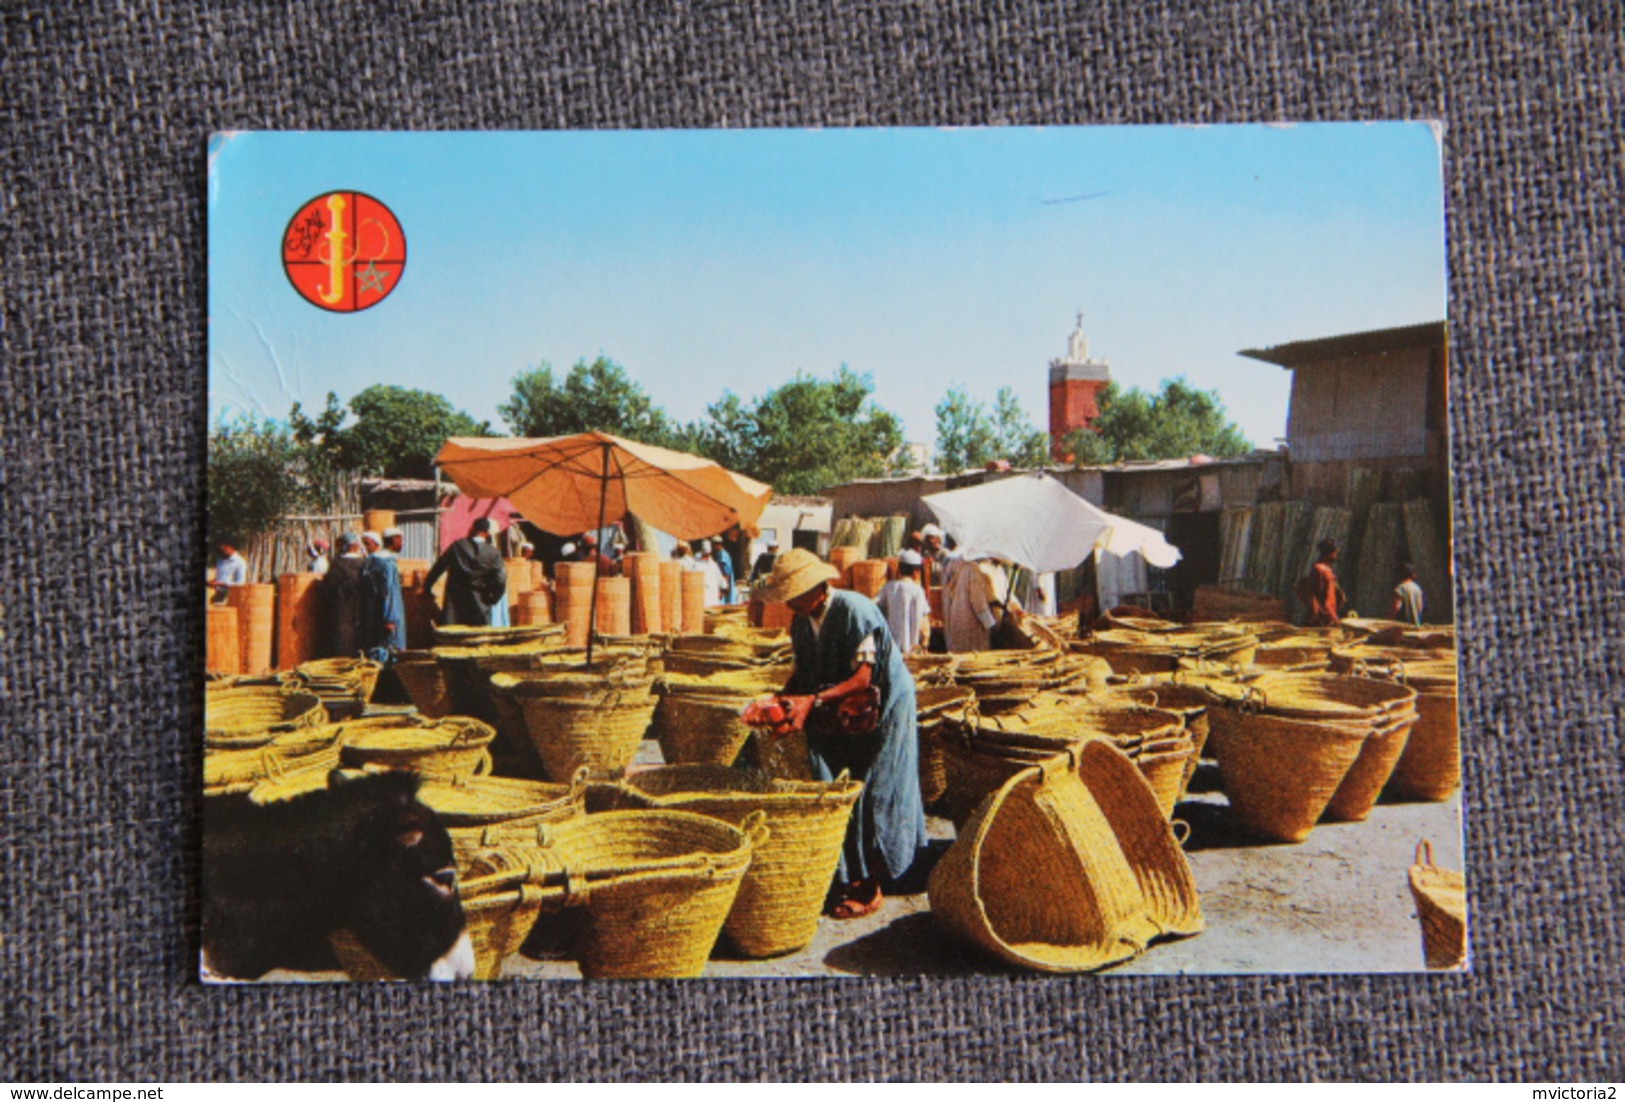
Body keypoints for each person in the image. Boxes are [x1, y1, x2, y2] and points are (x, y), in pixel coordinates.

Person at [743, 549, 927, 919]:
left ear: (816, 587)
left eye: (794, 594)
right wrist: (777, 700)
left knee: (877, 786)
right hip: (844, 707)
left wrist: (810, 700)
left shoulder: (854, 610)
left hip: (885, 702)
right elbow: (803, 674)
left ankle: (873, 882)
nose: (790, 603)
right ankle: (843, 871)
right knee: (835, 781)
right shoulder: (800, 623)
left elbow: (864, 677)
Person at [424, 517, 508, 626]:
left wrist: (427, 586)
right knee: (479, 637)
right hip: (481, 605)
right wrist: (493, 598)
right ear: (487, 533)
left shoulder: (457, 546)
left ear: (472, 529)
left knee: (454, 637)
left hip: (455, 604)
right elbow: (500, 579)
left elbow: (439, 567)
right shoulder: (493, 553)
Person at [317, 533, 367, 658]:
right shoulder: (364, 566)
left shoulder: (335, 566)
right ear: (357, 546)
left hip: (339, 615)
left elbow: (327, 591)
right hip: (361, 615)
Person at [359, 531, 407, 658]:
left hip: (373, 613)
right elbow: (389, 592)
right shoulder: (388, 564)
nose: (402, 543)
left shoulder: (371, 561)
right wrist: (390, 618)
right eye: (400, 540)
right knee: (390, 650)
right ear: (393, 540)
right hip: (388, 614)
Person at [875, 549, 931, 656]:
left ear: (899, 569)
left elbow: (876, 606)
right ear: (916, 571)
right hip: (912, 650)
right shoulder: (918, 591)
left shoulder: (889, 587)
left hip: (891, 649)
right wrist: (925, 642)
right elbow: (924, 622)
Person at [942, 555, 1001, 652]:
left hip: (956, 624)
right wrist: (991, 625)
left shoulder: (952, 567)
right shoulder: (973, 570)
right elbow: (979, 604)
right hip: (971, 627)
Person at [1299, 538, 1347, 627]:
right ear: (1330, 553)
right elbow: (1316, 597)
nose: (1336, 555)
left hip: (1327, 618)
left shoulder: (1326, 570)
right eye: (1335, 552)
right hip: (1322, 621)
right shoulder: (1320, 570)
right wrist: (1332, 619)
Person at [695, 540, 728, 607]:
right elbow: (723, 584)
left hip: (704, 601)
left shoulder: (696, 565)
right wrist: (722, 591)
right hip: (711, 601)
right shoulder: (713, 565)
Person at [712, 537, 738, 605]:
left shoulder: (722, 555)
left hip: (725, 585)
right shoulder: (722, 554)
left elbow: (725, 572)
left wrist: (723, 589)